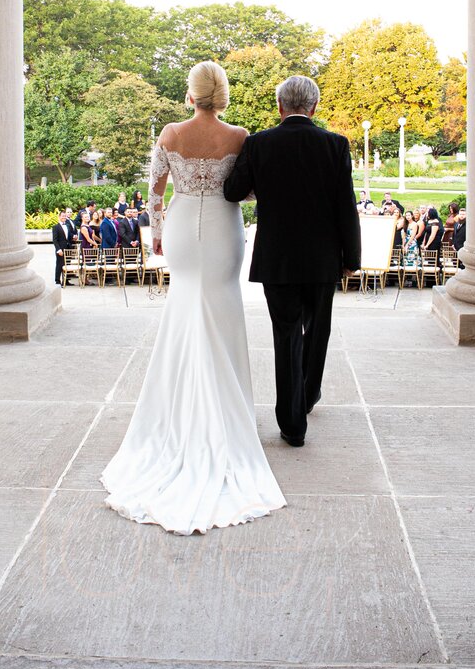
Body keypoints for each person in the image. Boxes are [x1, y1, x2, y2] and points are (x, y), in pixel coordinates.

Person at [101, 61, 285, 535]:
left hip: (182, 227)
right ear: (222, 95)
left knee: (185, 308)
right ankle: (227, 417)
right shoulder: (241, 135)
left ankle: (178, 416)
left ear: (191, 95)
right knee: (221, 310)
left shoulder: (171, 132)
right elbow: (244, 193)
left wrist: (157, 234)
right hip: (224, 230)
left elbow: (155, 189)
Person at [223, 75, 360, 448]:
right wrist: (353, 257)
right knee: (318, 331)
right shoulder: (335, 145)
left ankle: (292, 424)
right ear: (313, 107)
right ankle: (309, 392)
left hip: (278, 258)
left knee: (286, 336)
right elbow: (345, 205)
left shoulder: (258, 144)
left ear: (279, 106)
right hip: (322, 258)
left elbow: (232, 191)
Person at [51, 208, 76, 285]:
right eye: (62, 216)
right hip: (60, 249)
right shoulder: (56, 227)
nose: (64, 217)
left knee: (67, 264)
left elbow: (68, 235)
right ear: (59, 217)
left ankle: (66, 280)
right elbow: (55, 240)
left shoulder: (67, 225)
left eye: (65, 216)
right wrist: (58, 250)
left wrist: (73, 236)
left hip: (68, 248)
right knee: (59, 264)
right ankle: (57, 280)